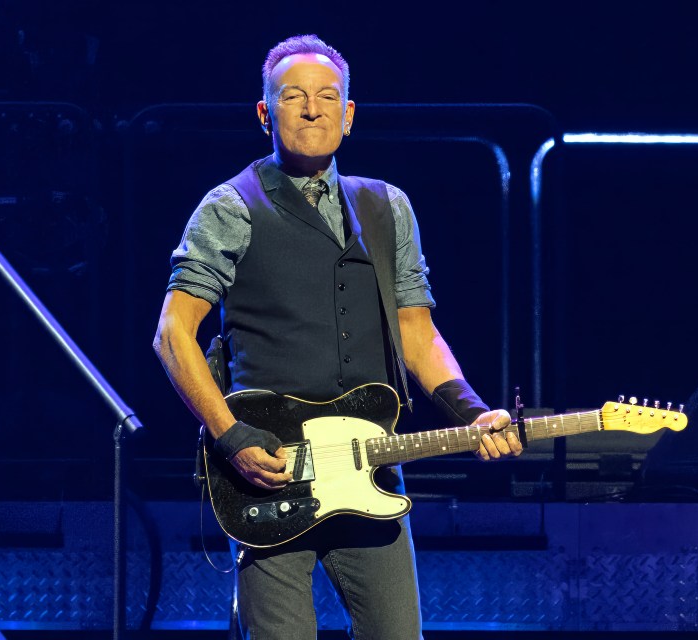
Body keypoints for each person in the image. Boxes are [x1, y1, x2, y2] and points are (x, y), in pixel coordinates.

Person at [153, 34, 522, 640]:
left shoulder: (386, 206)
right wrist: (230, 436)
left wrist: (471, 411)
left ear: (348, 116)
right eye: (293, 96)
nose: (312, 108)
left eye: (328, 97)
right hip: (269, 468)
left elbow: (416, 330)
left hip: (372, 464)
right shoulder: (231, 206)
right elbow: (173, 333)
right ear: (265, 113)